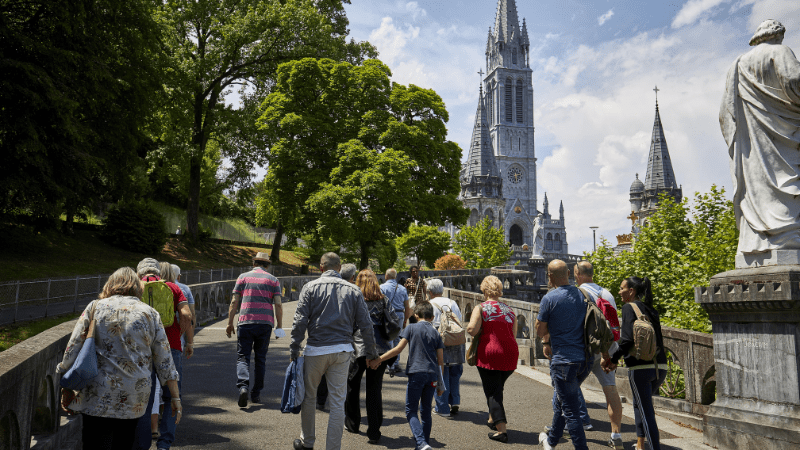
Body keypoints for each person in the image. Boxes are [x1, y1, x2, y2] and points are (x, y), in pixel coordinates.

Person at [57, 267, 180, 450]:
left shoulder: (95, 307)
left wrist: (65, 383)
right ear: (138, 287)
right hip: (134, 395)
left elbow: (73, 347)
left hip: (97, 392)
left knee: (94, 443)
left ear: (110, 284)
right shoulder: (150, 313)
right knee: (124, 442)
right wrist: (176, 397)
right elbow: (164, 360)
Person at [721, 20, 800, 255]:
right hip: (784, 134)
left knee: (756, 185)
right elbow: (795, 82)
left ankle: (758, 240)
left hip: (751, 141)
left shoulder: (737, 64)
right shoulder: (780, 51)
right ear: (777, 35)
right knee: (787, 183)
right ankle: (786, 234)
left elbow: (724, 115)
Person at [290, 253, 379, 450]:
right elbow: (366, 325)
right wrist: (372, 353)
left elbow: (299, 321)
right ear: (339, 268)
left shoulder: (309, 287)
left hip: (315, 349)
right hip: (342, 350)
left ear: (321, 268)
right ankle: (333, 447)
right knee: (338, 402)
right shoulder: (353, 290)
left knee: (309, 397)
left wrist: (294, 348)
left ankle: (307, 442)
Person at [536, 260, 609, 450]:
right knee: (563, 403)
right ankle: (551, 442)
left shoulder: (549, 299)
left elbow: (539, 331)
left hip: (563, 362)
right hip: (584, 361)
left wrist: (547, 333)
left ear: (549, 277)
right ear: (569, 273)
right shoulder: (584, 295)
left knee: (571, 412)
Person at [371, 302, 445, 450]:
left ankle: (421, 442)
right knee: (425, 411)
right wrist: (441, 384)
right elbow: (440, 361)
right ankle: (424, 444)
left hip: (416, 373)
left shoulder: (411, 328)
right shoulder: (436, 332)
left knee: (411, 410)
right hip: (432, 375)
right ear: (431, 317)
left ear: (416, 315)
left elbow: (398, 349)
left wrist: (379, 359)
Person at [605, 277, 668, 450]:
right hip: (661, 367)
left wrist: (613, 359)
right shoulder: (651, 309)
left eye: (621, 288)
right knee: (640, 405)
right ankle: (640, 445)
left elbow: (626, 341)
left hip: (640, 368)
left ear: (631, 291)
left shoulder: (628, 307)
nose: (619, 292)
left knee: (647, 413)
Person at [137, 258, 193, 450]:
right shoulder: (173, 288)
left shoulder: (135, 287)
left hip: (143, 349)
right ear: (159, 273)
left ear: (139, 273)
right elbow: (186, 314)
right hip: (171, 346)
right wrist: (180, 333)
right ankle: (165, 443)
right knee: (171, 396)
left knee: (146, 397)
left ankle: (143, 444)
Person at [344, 269, 402, 444]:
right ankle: (374, 430)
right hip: (380, 349)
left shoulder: (354, 298)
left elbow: (348, 323)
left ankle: (353, 423)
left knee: (352, 386)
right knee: (374, 389)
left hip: (358, 347)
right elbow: (394, 320)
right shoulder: (383, 299)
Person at [574, 261, 624, 449]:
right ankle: (616, 435)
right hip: (609, 349)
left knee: (567, 387)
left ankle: (562, 427)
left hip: (586, 348)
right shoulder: (607, 293)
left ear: (578, 273)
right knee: (611, 391)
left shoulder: (578, 293)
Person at [226, 252, 282, 407]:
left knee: (243, 356)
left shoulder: (242, 277)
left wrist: (230, 322)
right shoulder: (273, 280)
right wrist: (280, 326)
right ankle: (256, 394)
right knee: (260, 359)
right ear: (267, 265)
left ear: (254, 263)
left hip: (245, 321)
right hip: (265, 323)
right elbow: (278, 304)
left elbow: (234, 301)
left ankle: (243, 387)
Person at [466, 275, 518, 443]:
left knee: (492, 393)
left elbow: (472, 329)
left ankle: (501, 430)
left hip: (490, 353)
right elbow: (514, 335)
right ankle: (491, 419)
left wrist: (473, 328)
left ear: (484, 290)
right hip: (510, 353)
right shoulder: (510, 310)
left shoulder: (481, 308)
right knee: (497, 387)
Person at [317, 263, 357, 411]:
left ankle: (321, 400)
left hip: (323, 337)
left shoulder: (326, 287)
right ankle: (338, 404)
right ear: (353, 277)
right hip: (344, 339)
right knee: (341, 373)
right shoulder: (352, 291)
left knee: (323, 370)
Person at [427, 278, 465, 417]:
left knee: (441, 372)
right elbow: (459, 320)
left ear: (429, 292)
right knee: (455, 372)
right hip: (454, 340)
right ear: (442, 290)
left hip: (439, 341)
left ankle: (442, 407)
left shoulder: (429, 304)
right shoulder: (452, 302)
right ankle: (455, 401)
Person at [381, 268, 410, 376]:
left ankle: (389, 365)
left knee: (388, 338)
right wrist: (405, 319)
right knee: (397, 338)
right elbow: (407, 306)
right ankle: (396, 363)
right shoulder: (402, 289)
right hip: (399, 314)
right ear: (395, 277)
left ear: (386, 276)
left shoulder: (382, 287)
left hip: (387, 315)